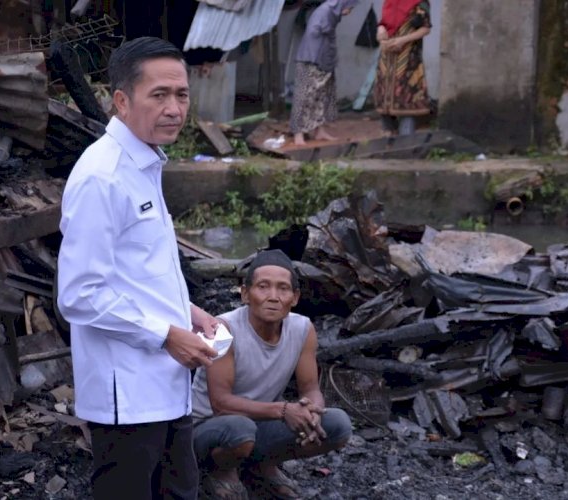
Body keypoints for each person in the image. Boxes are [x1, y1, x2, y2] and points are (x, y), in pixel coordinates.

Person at [57, 36, 220, 500]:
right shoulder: (102, 177)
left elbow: (138, 268)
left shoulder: (143, 162)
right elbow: (79, 294)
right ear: (122, 101)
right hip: (125, 394)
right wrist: (167, 334)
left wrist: (187, 312)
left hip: (166, 383)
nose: (174, 108)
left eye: (182, 94)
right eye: (160, 95)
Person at [191, 250, 353, 500]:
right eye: (263, 287)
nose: (273, 297)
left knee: (337, 424)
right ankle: (220, 471)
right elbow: (221, 403)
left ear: (295, 297)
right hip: (208, 427)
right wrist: (284, 410)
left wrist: (312, 412)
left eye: (283, 289)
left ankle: (260, 466)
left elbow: (310, 389)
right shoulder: (224, 328)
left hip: (258, 423)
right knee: (239, 429)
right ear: (245, 293)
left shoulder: (302, 328)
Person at [290, 0, 360, 146]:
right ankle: (298, 133)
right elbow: (314, 32)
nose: (349, 12)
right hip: (310, 59)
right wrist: (325, 39)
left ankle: (318, 130)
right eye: (349, 8)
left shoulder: (331, 15)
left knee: (322, 97)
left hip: (323, 61)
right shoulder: (325, 12)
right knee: (304, 97)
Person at [373, 0, 432, 137]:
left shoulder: (420, 3)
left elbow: (425, 28)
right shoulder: (389, 2)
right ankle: (387, 138)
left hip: (408, 60)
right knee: (385, 99)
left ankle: (406, 141)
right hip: (386, 60)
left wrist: (402, 40)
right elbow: (383, 24)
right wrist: (380, 33)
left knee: (407, 99)